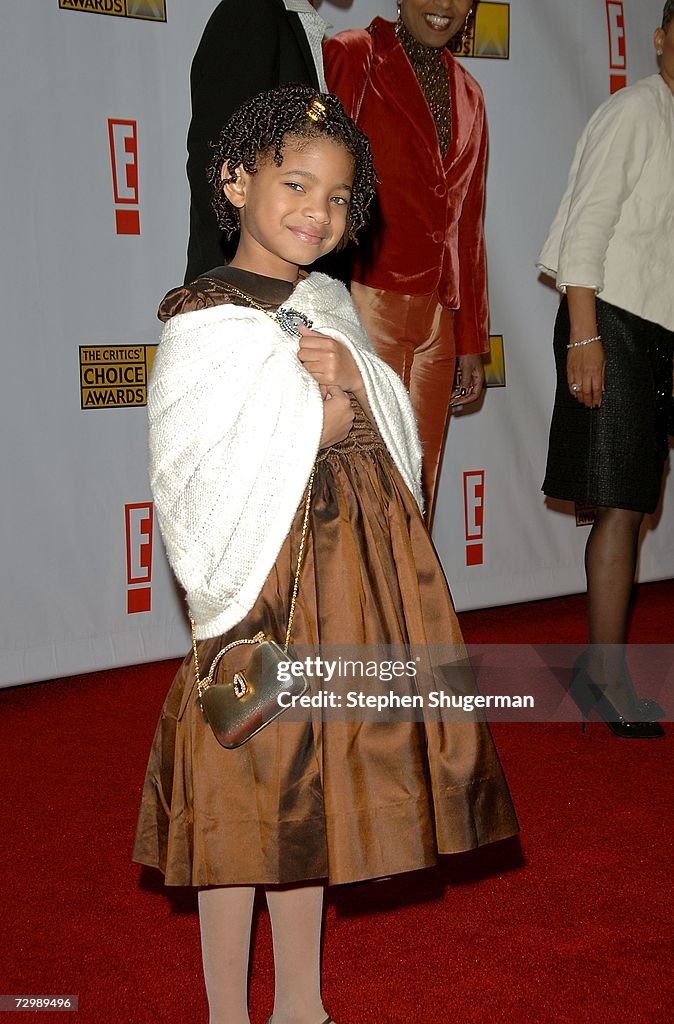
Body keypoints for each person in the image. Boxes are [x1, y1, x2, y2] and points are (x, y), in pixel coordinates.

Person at [133, 85, 518, 1024]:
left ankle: (302, 1002)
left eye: (339, 198)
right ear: (234, 181)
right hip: (254, 606)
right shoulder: (202, 321)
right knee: (238, 795)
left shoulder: (328, 301)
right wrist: (319, 419)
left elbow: (388, 417)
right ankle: (228, 1010)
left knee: (306, 803)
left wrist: (357, 388)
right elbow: (191, 474)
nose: (317, 213)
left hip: (344, 595)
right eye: (295, 185)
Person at [537, 0, 674, 739]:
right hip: (612, 323)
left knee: (639, 504)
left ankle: (603, 667)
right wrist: (583, 340)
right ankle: (605, 676)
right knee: (621, 504)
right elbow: (583, 232)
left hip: (661, 331)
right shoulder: (632, 112)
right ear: (659, 40)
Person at [323, 0, 488, 523]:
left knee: (420, 488)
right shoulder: (354, 56)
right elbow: (322, 190)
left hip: (439, 315)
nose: (443, 5)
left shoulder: (470, 93)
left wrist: (470, 340)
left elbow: (468, 225)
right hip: (366, 299)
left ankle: (412, 606)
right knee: (360, 484)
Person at [185, 0, 326, 284]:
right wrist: (244, 282)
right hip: (245, 288)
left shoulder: (285, 19)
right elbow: (220, 158)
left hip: (282, 284)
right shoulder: (250, 11)